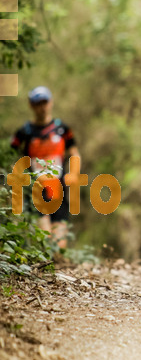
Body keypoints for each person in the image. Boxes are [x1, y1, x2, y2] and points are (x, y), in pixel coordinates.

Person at [11, 86, 79, 250]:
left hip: (58, 189)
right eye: (38, 103)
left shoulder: (62, 129)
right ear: (31, 105)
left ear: (51, 102)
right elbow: (12, 158)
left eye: (45, 102)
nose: (42, 107)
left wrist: (74, 174)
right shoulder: (24, 132)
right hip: (36, 190)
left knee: (60, 246)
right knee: (45, 242)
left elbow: (74, 153)